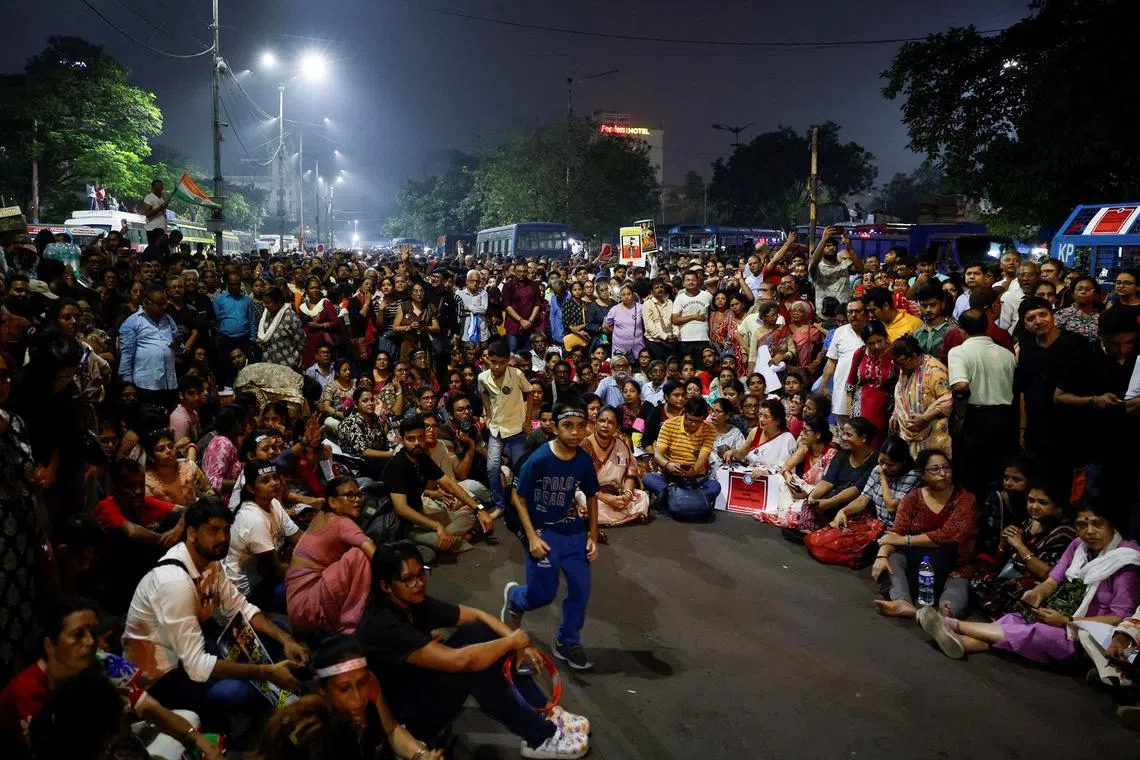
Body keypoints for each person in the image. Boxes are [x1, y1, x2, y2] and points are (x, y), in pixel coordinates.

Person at [357, 541, 590, 759]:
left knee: (483, 633)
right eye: (408, 579)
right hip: (402, 720)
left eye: (421, 574)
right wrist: (512, 642)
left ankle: (545, 713)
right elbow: (461, 661)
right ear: (386, 585)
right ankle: (540, 738)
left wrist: (518, 642)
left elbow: (477, 616)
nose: (418, 583)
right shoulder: (383, 625)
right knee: (475, 667)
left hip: (416, 685)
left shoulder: (412, 600)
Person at [122, 498, 309, 730]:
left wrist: (286, 640)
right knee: (240, 692)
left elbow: (241, 606)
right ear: (191, 533)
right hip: (162, 675)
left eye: (226, 530)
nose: (222, 538)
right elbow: (197, 664)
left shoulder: (210, 561)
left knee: (277, 633)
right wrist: (265, 672)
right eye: (213, 530)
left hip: (194, 643)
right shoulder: (173, 583)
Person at [0, 596, 223, 760]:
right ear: (50, 644)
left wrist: (202, 743)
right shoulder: (25, 691)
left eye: (93, 633)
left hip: (105, 747)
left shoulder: (103, 663)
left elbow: (152, 710)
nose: (90, 642)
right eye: (78, 635)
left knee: (190, 720)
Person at [921, 501, 1140, 663]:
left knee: (1037, 632)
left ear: (1112, 526)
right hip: (1060, 614)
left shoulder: (1126, 561)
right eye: (1082, 525)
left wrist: (1068, 620)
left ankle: (951, 625)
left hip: (1086, 634)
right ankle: (960, 642)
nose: (1089, 532)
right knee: (1015, 618)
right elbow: (1054, 578)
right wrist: (1038, 594)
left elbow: (1120, 617)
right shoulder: (1078, 546)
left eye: (1097, 524)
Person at [502, 402, 601, 672]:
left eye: (581, 426)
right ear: (554, 428)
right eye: (568, 426)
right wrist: (532, 537)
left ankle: (567, 641)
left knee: (581, 590)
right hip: (542, 531)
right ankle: (515, 599)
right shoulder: (539, 459)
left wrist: (592, 534)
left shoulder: (582, 460)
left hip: (572, 532)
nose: (576, 432)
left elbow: (592, 494)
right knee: (542, 595)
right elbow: (517, 497)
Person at [871, 449, 978, 619]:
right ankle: (903, 602)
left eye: (946, 468)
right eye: (934, 469)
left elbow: (946, 536)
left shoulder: (965, 499)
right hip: (917, 564)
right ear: (922, 475)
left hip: (953, 566)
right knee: (893, 558)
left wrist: (906, 540)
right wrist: (881, 556)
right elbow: (896, 532)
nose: (942, 473)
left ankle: (944, 618)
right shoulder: (913, 498)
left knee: (952, 602)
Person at [301, 636, 443, 760]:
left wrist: (421, 755)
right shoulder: (317, 737)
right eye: (344, 689)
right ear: (324, 691)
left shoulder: (370, 685)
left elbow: (391, 729)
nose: (358, 698)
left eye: (361, 683)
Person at [383, 414, 491, 554]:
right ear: (402, 440)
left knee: (469, 515)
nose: (416, 443)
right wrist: (436, 526)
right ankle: (437, 544)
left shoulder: (422, 457)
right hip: (404, 525)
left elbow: (449, 483)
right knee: (438, 539)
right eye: (411, 439)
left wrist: (479, 509)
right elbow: (401, 509)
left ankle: (444, 542)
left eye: (420, 437)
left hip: (422, 514)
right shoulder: (397, 464)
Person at [972, 480, 1078, 620]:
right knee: (977, 580)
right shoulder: (1029, 523)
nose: (1034, 506)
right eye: (1031, 500)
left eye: (1042, 502)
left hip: (1039, 586)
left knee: (1013, 593)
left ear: (1058, 507)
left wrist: (1020, 545)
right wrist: (1004, 542)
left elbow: (1049, 574)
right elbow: (1001, 557)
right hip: (1010, 575)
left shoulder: (1064, 533)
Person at [285, 477, 375, 635]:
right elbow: (373, 552)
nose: (357, 500)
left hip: (295, 602)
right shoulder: (342, 523)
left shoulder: (323, 513)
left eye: (359, 495)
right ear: (333, 501)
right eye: (350, 496)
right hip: (306, 606)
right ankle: (349, 627)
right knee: (360, 556)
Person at [947, 308, 1017, 499]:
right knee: (997, 478)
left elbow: (961, 386)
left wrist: (960, 417)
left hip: (975, 418)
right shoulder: (1007, 354)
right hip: (1006, 419)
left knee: (970, 480)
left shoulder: (959, 352)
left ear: (961, 330)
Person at [223, 461, 302, 611]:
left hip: (266, 577)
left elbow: (298, 537)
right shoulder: (252, 518)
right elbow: (278, 568)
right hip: (246, 594)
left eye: (275, 478)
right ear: (252, 488)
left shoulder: (274, 504)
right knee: (306, 590)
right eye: (265, 480)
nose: (274, 483)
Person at [796, 417, 879, 533]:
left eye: (849, 435)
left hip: (855, 506)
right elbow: (828, 481)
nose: (843, 438)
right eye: (843, 434)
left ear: (863, 438)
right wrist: (813, 497)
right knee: (809, 503)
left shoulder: (876, 461)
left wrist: (830, 503)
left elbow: (856, 489)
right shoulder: (842, 455)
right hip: (834, 500)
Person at [643, 396, 721, 511]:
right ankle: (683, 497)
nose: (693, 424)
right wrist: (669, 465)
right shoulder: (669, 425)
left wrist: (693, 470)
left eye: (697, 421)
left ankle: (672, 497)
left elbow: (703, 456)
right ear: (684, 413)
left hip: (695, 478)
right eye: (689, 420)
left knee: (715, 486)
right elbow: (658, 455)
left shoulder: (709, 429)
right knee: (648, 478)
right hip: (670, 476)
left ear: (703, 418)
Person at [479, 340, 530, 515]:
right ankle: (500, 504)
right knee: (492, 466)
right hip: (496, 428)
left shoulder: (516, 374)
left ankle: (521, 501)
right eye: (494, 362)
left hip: (516, 427)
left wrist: (528, 419)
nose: (498, 366)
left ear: (508, 360)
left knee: (520, 467)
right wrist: (487, 415)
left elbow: (529, 392)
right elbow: (484, 394)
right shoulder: (483, 377)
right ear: (488, 360)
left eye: (502, 362)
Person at [829, 436, 920, 532]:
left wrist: (883, 478)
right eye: (881, 461)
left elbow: (892, 507)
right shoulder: (877, 470)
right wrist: (843, 511)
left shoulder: (913, 476)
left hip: (900, 531)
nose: (884, 467)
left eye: (890, 465)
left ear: (903, 462)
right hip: (879, 526)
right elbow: (862, 501)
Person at [579, 405, 650, 527]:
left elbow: (630, 473)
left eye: (610, 422)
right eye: (601, 421)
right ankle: (627, 517)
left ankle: (600, 519)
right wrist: (605, 498)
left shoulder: (621, 446)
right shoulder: (584, 446)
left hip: (617, 493)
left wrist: (628, 494)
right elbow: (580, 482)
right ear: (595, 424)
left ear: (617, 427)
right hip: (594, 494)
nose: (605, 425)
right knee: (581, 498)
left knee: (642, 497)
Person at [119, 282, 178, 415]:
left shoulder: (168, 320)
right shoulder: (133, 322)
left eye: (165, 303)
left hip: (169, 383)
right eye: (159, 304)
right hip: (145, 384)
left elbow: (179, 345)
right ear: (146, 302)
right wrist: (127, 384)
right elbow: (126, 354)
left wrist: (179, 347)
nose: (164, 307)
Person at [890, 335, 952, 458]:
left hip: (933, 433)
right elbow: (901, 392)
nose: (901, 369)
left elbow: (949, 399)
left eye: (902, 365)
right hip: (909, 436)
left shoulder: (935, 370)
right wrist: (896, 413)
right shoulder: (906, 368)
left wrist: (925, 418)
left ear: (914, 357)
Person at [845, 320, 894, 446]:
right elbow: (850, 382)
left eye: (879, 341)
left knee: (879, 441)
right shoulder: (860, 353)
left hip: (886, 406)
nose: (876, 346)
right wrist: (850, 410)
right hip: (860, 404)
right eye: (871, 343)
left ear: (885, 336)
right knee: (860, 439)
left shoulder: (894, 353)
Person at [819, 298, 867, 425]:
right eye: (850, 312)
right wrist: (824, 386)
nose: (853, 315)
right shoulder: (840, 332)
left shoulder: (873, 330)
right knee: (844, 429)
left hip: (865, 391)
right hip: (842, 390)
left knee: (860, 428)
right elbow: (831, 362)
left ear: (866, 312)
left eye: (857, 311)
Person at [143, 428, 216, 507]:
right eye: (161, 449)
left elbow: (209, 494)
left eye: (171, 446)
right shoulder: (147, 482)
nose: (168, 451)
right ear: (151, 457)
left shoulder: (188, 466)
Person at [723, 398, 797, 470]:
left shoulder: (787, 438)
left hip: (774, 478)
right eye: (760, 415)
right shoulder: (755, 432)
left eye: (766, 416)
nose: (761, 419)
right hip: (752, 473)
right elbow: (742, 453)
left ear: (777, 420)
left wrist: (766, 472)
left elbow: (785, 466)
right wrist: (733, 452)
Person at [338, 387, 393, 478]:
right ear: (356, 404)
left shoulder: (374, 417)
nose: (370, 403)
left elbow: (382, 440)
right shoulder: (351, 423)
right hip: (358, 463)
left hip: (377, 458)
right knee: (393, 463)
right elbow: (363, 452)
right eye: (365, 401)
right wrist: (389, 454)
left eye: (372, 400)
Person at [257, 286, 305, 369]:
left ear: (278, 302)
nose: (265, 305)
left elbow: (300, 339)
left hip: (287, 363)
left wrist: (301, 357)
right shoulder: (266, 314)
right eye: (264, 302)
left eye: (268, 303)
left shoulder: (290, 316)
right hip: (268, 362)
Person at [502, 259, 543, 354]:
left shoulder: (533, 285)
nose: (522, 274)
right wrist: (521, 320)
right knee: (513, 354)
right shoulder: (508, 286)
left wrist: (530, 321)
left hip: (530, 326)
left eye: (524, 271)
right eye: (519, 271)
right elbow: (507, 306)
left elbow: (537, 304)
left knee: (529, 354)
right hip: (513, 326)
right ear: (514, 272)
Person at [672, 270, 712, 361]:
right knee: (687, 367)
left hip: (703, 338)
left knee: (702, 368)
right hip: (684, 339)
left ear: (698, 281)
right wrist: (694, 317)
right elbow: (675, 320)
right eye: (688, 280)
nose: (690, 282)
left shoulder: (707, 296)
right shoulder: (679, 298)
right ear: (683, 283)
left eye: (693, 280)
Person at [1054, 276, 1101, 343]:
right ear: (1073, 294)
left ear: (1095, 295)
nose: (1083, 292)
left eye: (1087, 289)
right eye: (1079, 289)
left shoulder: (1101, 316)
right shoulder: (1061, 314)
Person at [604, 284, 645, 358]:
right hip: (619, 348)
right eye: (624, 295)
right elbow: (606, 325)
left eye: (628, 294)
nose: (626, 297)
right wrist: (618, 333)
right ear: (620, 296)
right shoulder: (614, 309)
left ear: (632, 295)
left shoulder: (640, 308)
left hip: (637, 347)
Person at [643, 277, 676, 360]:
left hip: (671, 341)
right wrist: (665, 336)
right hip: (655, 342)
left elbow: (674, 320)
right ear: (651, 291)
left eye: (661, 287)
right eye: (656, 288)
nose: (660, 289)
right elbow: (649, 326)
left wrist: (676, 334)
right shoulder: (648, 304)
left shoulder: (670, 302)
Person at [142, 179, 168, 244]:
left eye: (161, 187)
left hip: (162, 231)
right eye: (157, 187)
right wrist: (161, 207)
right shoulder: (149, 197)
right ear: (153, 188)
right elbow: (148, 214)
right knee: (154, 250)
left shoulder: (161, 199)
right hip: (153, 230)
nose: (160, 189)